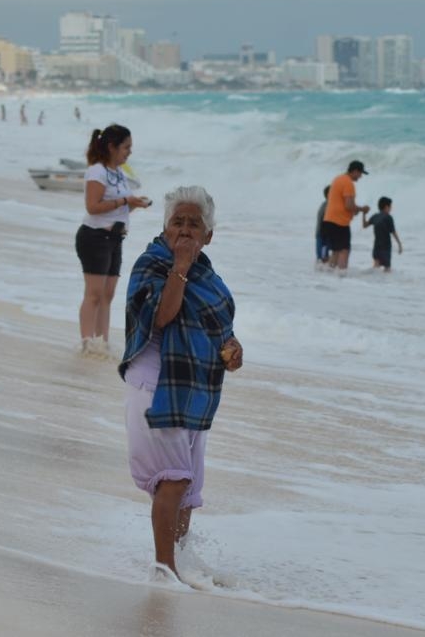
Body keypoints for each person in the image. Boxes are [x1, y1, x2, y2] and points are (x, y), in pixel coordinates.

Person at [120, 185, 242, 582]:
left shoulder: (208, 275)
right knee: (172, 480)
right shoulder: (151, 264)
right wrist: (181, 267)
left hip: (193, 392)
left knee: (187, 488)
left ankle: (181, 562)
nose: (185, 230)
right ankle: (164, 568)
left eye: (195, 224)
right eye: (178, 222)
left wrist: (233, 347)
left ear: (209, 235)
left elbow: (220, 328)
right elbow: (162, 317)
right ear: (165, 227)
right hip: (155, 388)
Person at [77, 124, 152, 354]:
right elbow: (92, 207)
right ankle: (87, 342)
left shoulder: (119, 173)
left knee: (108, 295)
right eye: (126, 147)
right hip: (95, 237)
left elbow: (120, 209)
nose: (129, 152)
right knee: (94, 293)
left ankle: (102, 341)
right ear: (112, 147)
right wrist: (125, 202)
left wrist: (135, 205)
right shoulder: (97, 171)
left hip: (115, 238)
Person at [321, 160, 371, 271]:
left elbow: (345, 204)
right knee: (344, 250)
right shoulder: (348, 183)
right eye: (360, 173)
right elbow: (349, 205)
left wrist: (355, 209)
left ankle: (329, 275)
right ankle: (341, 277)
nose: (360, 177)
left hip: (328, 220)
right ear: (354, 171)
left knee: (336, 251)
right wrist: (361, 209)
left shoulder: (337, 179)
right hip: (340, 222)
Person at [363, 196, 403, 271]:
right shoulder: (388, 217)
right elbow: (393, 232)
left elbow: (364, 225)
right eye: (390, 206)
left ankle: (372, 282)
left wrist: (364, 214)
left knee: (375, 269)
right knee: (387, 269)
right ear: (386, 207)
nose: (391, 208)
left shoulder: (375, 216)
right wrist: (399, 244)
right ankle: (385, 283)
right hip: (385, 248)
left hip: (376, 247)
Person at [315, 185, 331, 267]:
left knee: (322, 256)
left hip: (322, 232)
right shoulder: (328, 205)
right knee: (323, 257)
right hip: (322, 233)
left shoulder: (325, 204)